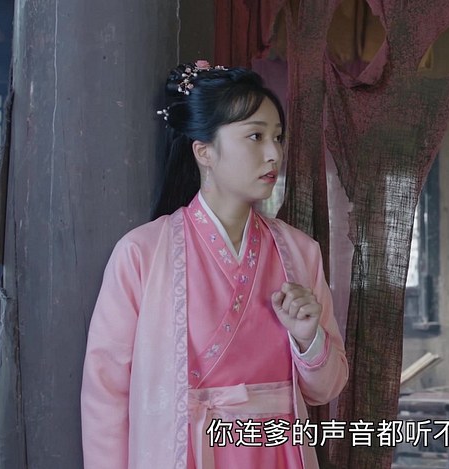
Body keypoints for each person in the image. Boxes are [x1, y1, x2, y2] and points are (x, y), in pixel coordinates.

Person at [81, 61, 348, 469]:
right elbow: (106, 393)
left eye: (278, 137)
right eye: (255, 136)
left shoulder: (300, 253)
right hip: (186, 452)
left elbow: (325, 389)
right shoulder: (142, 254)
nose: (274, 153)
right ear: (203, 151)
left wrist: (308, 338)